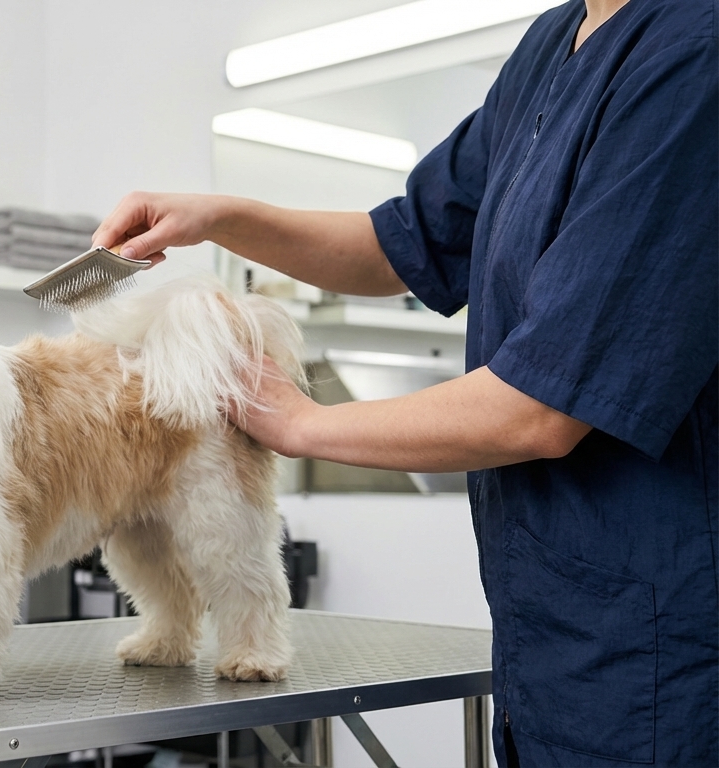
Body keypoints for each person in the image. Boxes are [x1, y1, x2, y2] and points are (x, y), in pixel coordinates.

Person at [93, 0, 716, 765]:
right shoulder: (551, 45)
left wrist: (300, 422)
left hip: (661, 638)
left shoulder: (696, 55)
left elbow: (542, 407)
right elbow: (402, 244)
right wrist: (219, 215)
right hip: (548, 634)